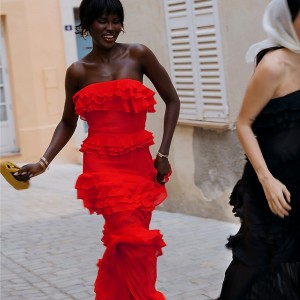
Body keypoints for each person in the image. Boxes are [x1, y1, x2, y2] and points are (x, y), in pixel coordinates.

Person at [14, 0, 180, 298]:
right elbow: (67, 122)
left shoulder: (138, 54)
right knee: (130, 240)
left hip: (139, 166)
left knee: (130, 244)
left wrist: (164, 154)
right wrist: (42, 162)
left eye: (117, 21)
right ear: (88, 24)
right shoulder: (77, 71)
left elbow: (173, 100)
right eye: (103, 21)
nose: (111, 28)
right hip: (102, 169)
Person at [217, 0, 300, 299]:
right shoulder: (273, 64)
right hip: (269, 185)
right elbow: (243, 123)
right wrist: (267, 180)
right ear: (289, 20)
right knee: (254, 260)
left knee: (293, 264)